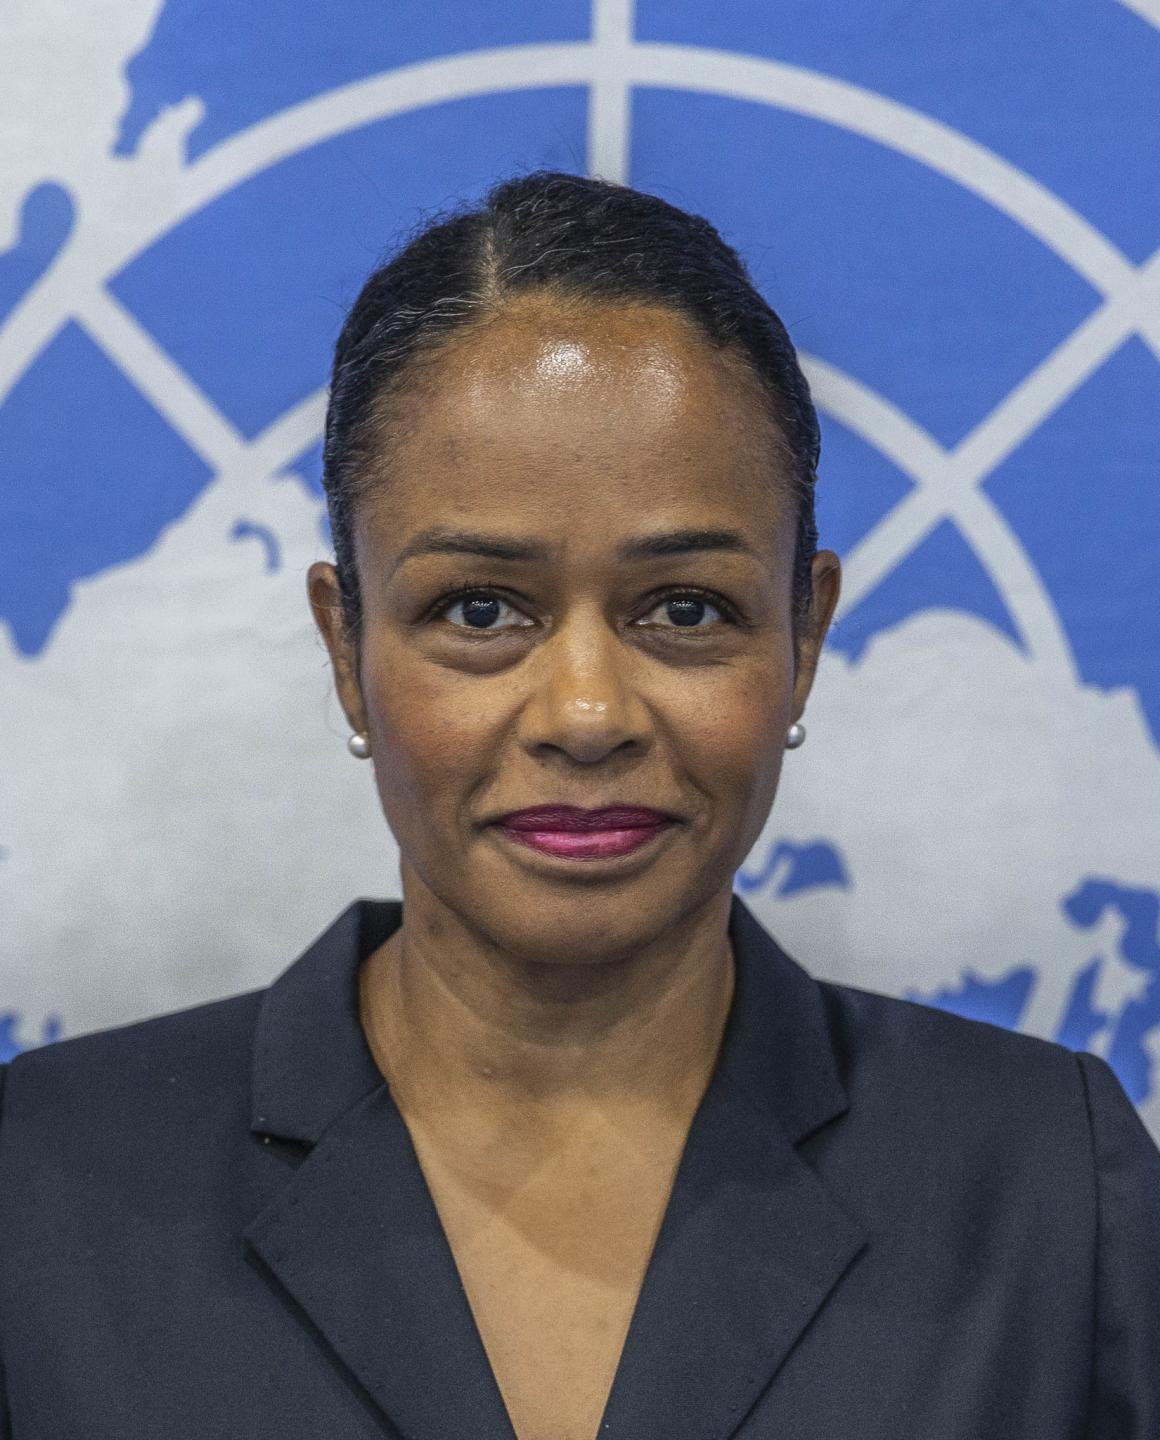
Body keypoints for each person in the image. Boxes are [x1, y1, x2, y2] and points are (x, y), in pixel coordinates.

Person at [0, 172, 1157, 1440]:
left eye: (685, 609)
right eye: (479, 609)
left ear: (802, 639)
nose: (588, 713)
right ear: (345, 648)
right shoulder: (42, 1183)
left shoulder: (1049, 1187)